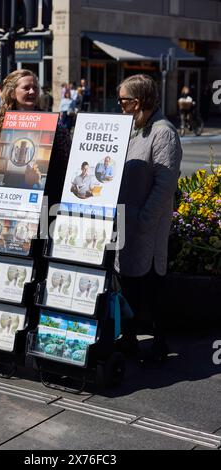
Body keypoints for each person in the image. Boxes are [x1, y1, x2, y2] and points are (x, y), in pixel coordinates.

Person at [114, 74, 182, 362]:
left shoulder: (163, 132)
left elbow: (165, 184)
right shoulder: (135, 128)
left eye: (123, 100)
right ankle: (129, 340)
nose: (120, 105)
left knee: (151, 288)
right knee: (128, 285)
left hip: (147, 227)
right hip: (127, 221)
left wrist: (143, 218)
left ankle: (159, 344)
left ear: (137, 102)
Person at [0, 69, 71, 208]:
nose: (32, 92)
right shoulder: (3, 125)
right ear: (13, 93)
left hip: (48, 200)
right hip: (12, 200)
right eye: (26, 88)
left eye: (35, 88)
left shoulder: (54, 123)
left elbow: (66, 160)